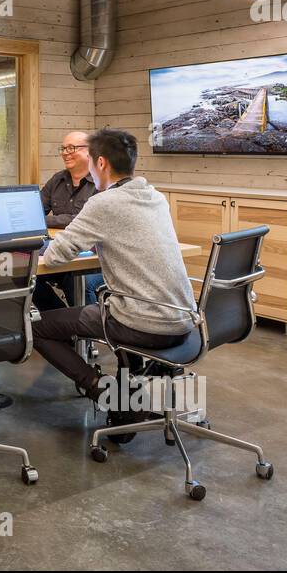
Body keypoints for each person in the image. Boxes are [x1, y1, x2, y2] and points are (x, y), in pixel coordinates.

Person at [33, 128, 196, 414]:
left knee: (34, 327)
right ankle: (129, 386)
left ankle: (103, 390)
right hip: (183, 318)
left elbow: (58, 256)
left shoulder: (103, 202)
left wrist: (35, 249)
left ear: (101, 163)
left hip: (140, 320)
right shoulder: (155, 197)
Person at [32, 130, 102, 311]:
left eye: (72, 148)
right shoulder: (57, 180)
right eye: (63, 148)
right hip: (60, 251)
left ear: (90, 151)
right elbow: (33, 212)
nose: (65, 153)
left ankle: (85, 330)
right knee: (25, 277)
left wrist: (47, 221)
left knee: (77, 280)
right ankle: (58, 318)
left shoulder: (101, 182)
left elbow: (81, 221)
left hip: (94, 259)